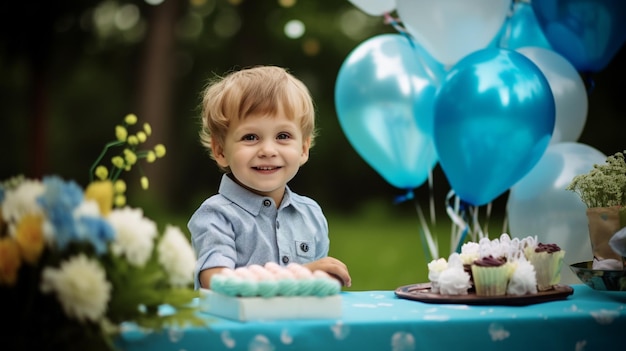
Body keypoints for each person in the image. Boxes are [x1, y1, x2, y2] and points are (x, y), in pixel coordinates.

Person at [188, 65, 352, 290]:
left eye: (283, 136)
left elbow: (317, 290)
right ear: (221, 151)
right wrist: (301, 274)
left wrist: (325, 279)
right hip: (240, 325)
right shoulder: (216, 216)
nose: (267, 150)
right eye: (251, 137)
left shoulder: (311, 214)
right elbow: (217, 283)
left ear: (303, 149)